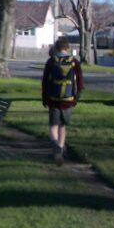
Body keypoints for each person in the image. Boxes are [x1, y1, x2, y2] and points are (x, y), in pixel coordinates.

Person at [42, 37, 84, 165]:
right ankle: (60, 149)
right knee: (62, 126)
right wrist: (76, 98)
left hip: (53, 100)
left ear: (56, 48)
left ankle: (56, 149)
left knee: (53, 126)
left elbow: (45, 82)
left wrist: (45, 98)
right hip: (68, 100)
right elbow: (80, 82)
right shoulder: (74, 62)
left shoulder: (51, 61)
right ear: (68, 48)